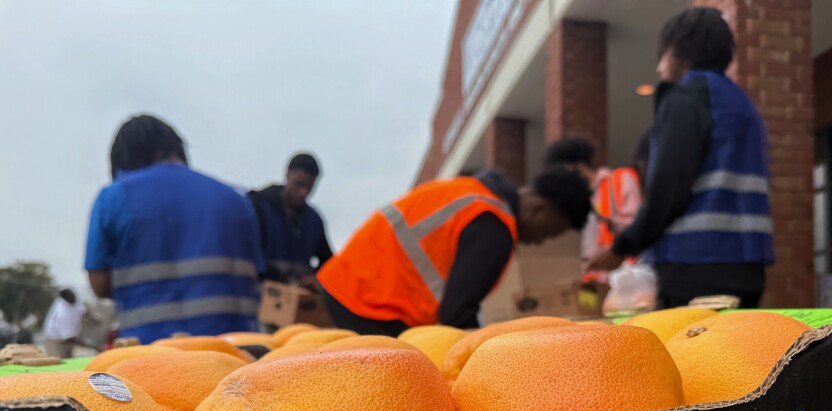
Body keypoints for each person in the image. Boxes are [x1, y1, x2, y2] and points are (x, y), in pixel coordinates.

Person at [585, 7, 774, 309]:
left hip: (694, 263)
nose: (659, 69)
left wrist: (621, 248)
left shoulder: (686, 99)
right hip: (748, 264)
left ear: (678, 51)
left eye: (661, 57)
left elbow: (668, 188)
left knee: (692, 353)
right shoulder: (743, 105)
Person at [317, 167, 591, 335]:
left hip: (353, 286)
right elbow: (457, 315)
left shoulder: (474, 195)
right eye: (548, 232)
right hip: (369, 302)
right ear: (539, 209)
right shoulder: (493, 225)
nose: (540, 241)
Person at [84, 114, 263, 343]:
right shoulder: (237, 199)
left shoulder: (113, 197)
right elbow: (255, 275)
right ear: (177, 150)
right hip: (236, 355)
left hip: (148, 357)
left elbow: (99, 285)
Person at [543, 138, 643, 285]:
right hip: (600, 284)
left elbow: (639, 226)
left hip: (629, 277)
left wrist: (609, 223)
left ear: (578, 167)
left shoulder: (621, 180)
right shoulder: (584, 199)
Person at [248, 153, 333, 289]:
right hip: (260, 298)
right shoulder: (257, 208)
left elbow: (329, 262)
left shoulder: (315, 221)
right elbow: (246, 254)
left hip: (297, 302)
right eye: (299, 185)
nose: (303, 193)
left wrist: (316, 278)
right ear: (287, 175)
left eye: (309, 188)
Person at [42, 289, 86, 358]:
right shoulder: (63, 313)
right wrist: (93, 346)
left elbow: (82, 310)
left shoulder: (72, 302)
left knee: (69, 362)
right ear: (67, 299)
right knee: (58, 364)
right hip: (55, 341)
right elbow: (69, 337)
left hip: (67, 341)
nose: (74, 299)